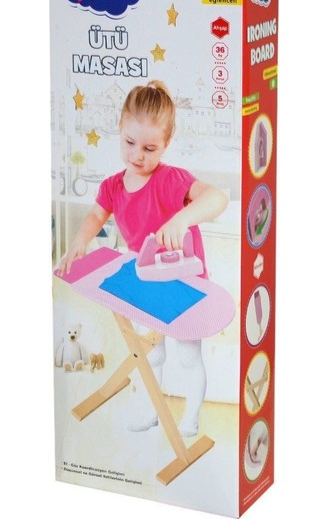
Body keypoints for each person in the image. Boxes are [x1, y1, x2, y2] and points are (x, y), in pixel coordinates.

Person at [59, 80, 228, 436]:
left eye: (150, 148)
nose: (138, 155)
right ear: (120, 129)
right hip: (145, 281)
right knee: (151, 353)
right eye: (129, 143)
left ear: (167, 144)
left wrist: (181, 219)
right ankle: (151, 410)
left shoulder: (171, 180)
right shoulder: (112, 186)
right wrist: (79, 242)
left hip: (183, 284)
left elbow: (217, 198)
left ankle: (191, 419)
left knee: (188, 355)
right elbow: (96, 216)